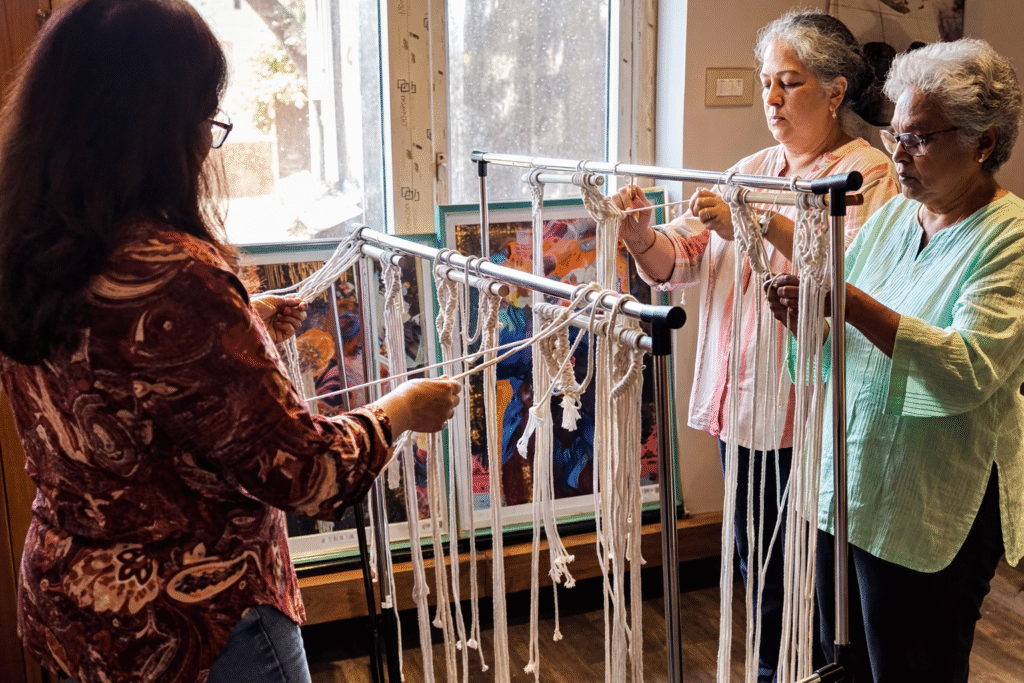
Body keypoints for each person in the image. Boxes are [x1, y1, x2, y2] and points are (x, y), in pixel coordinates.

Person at [0, 1, 460, 682]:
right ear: (156, 129)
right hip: (196, 626)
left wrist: (243, 326)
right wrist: (402, 408)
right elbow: (309, 474)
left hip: (72, 604)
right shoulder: (178, 276)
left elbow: (123, 374)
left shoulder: (30, 247)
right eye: (202, 121)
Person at [614, 10, 899, 683]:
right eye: (765, 82)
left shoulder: (866, 176)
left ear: (834, 91)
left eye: (789, 83)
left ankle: (797, 670)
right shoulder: (748, 168)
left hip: (807, 410)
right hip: (741, 406)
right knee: (756, 560)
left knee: (807, 570)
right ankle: (775, 668)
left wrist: (759, 220)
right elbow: (679, 257)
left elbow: (852, 274)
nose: (770, 98)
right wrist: (636, 234)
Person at [767, 38, 1024, 682]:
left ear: (983, 144)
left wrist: (842, 299)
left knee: (913, 667)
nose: (899, 155)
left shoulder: (1009, 238)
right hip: (849, 487)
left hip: (929, 503)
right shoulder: (892, 221)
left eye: (920, 138)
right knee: (843, 665)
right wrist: (809, 313)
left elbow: (966, 369)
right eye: (894, 136)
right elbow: (840, 335)